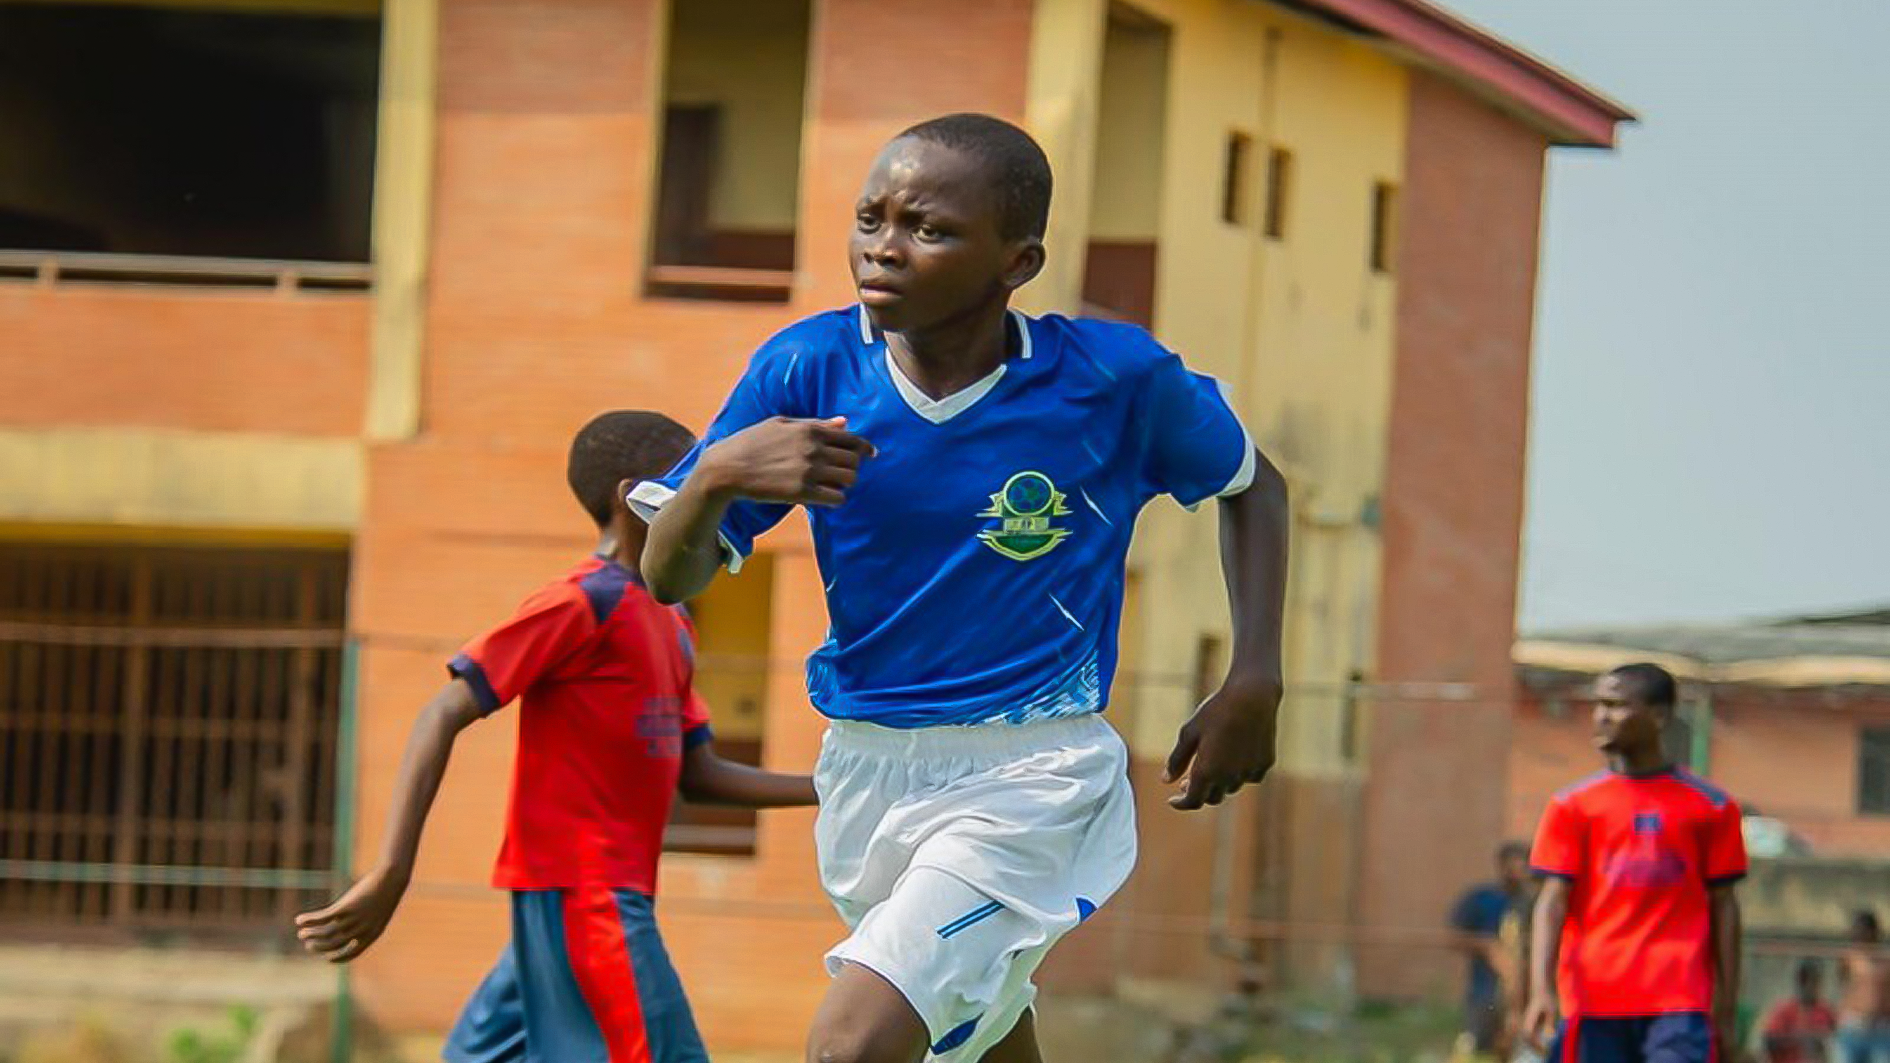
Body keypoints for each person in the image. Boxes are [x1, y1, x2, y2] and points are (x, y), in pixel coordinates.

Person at [634, 113, 1291, 1063]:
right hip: (865, 769)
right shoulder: (807, 368)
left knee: (852, 1045)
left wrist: (1257, 674)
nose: (883, 248)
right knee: (977, 1042)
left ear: (1016, 262)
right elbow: (668, 575)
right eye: (870, 218)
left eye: (928, 229)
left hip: (1030, 776)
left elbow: (1253, 483)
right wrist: (715, 477)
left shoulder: (1109, 379)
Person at [294, 410, 818, 1062]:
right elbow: (441, 711)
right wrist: (392, 871)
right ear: (634, 497)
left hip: (578, 903)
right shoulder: (580, 602)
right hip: (586, 894)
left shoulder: (673, 618)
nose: (707, 496)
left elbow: (698, 772)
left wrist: (829, 785)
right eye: (690, 480)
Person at [1522, 663, 1748, 1063]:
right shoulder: (1572, 805)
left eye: (1616, 705)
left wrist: (1726, 1007)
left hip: (1679, 1002)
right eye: (1598, 705)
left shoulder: (1712, 807)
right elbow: (1552, 901)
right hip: (1592, 1001)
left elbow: (1724, 905)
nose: (1600, 717)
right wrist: (1541, 990)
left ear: (1659, 716)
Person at [1452, 842, 1533, 1057]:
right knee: (1478, 1046)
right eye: (1514, 863)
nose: (1520, 869)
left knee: (1517, 1045)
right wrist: (1489, 948)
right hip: (1485, 987)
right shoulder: (1480, 898)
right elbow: (1456, 937)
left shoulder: (1533, 902)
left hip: (1524, 988)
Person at [1839, 911, 1890, 1063]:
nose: (1860, 935)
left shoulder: (1886, 960)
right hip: (1853, 1027)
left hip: (1880, 1029)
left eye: (1864, 931)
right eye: (1857, 931)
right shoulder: (1848, 958)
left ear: (1874, 932)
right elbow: (1844, 984)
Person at [1763, 960, 1838, 1063]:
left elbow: (1835, 1042)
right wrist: (1797, 1038)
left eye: (1817, 981)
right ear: (1800, 981)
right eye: (1807, 980)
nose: (1813, 986)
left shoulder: (1826, 1011)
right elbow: (1769, 1042)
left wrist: (1821, 1039)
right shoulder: (1784, 1010)